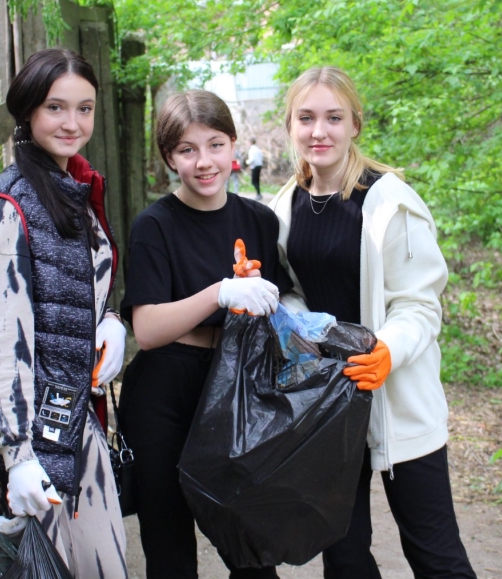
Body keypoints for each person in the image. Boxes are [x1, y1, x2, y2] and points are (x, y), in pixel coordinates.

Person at [270, 66, 477, 579]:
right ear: (290, 126)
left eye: (333, 118)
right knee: (343, 557)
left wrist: (385, 351)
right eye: (307, 118)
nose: (319, 131)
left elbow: (420, 304)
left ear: (355, 124)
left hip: (397, 398)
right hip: (328, 407)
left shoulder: (390, 203)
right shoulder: (285, 205)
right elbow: (292, 290)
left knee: (434, 555)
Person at [0, 48, 128, 577]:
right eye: (56, 107)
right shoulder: (10, 204)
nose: (73, 123)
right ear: (29, 111)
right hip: (33, 439)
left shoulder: (71, 189)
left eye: (85, 108)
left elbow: (74, 290)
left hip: (74, 422)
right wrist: (17, 455)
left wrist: (110, 322)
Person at [117, 90, 293, 579]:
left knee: (251, 546)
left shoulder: (259, 220)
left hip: (235, 386)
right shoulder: (154, 226)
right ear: (169, 158)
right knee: (169, 546)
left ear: (233, 144)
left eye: (215, 145)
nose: (204, 162)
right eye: (187, 150)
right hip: (165, 393)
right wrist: (219, 293)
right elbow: (148, 329)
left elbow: (281, 307)